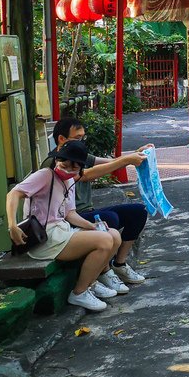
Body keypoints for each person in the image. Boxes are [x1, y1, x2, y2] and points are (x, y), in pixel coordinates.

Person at [7, 140, 124, 312]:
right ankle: (79, 292)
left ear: (81, 168)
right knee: (104, 241)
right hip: (44, 239)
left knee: (113, 234)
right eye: (65, 164)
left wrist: (92, 226)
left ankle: (90, 284)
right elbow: (13, 193)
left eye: (74, 168)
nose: (68, 170)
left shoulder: (69, 181)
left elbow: (70, 214)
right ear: (57, 160)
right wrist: (12, 225)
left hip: (62, 231)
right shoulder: (45, 175)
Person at [49, 117, 151, 286]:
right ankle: (103, 271)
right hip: (67, 219)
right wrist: (126, 161)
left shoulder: (79, 154)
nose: (81, 141)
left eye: (83, 138)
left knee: (138, 211)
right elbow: (85, 175)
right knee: (110, 219)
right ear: (61, 139)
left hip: (86, 212)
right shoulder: (57, 161)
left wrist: (135, 154)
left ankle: (120, 264)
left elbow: (111, 162)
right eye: (77, 138)